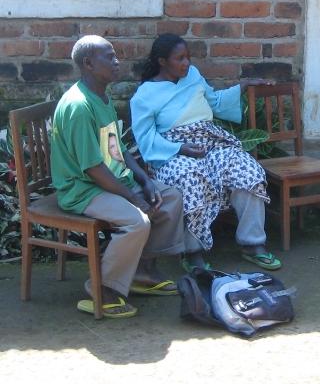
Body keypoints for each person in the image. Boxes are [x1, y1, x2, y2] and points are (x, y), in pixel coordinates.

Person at [51, 35, 185, 318]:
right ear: (88, 64)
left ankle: (141, 273)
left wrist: (145, 182)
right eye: (109, 57)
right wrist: (134, 198)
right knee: (136, 221)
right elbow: (93, 169)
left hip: (109, 179)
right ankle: (103, 290)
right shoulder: (79, 106)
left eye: (115, 56)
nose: (117, 62)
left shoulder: (101, 96)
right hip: (82, 189)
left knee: (170, 197)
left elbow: (117, 148)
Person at [130, 33, 281, 273]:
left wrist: (244, 84)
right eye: (179, 59)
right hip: (171, 153)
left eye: (188, 57)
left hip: (211, 143)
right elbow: (146, 139)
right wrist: (181, 148)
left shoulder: (193, 76)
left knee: (247, 168)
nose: (186, 63)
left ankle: (253, 243)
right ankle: (192, 251)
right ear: (162, 61)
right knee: (191, 177)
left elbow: (216, 102)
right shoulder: (144, 96)